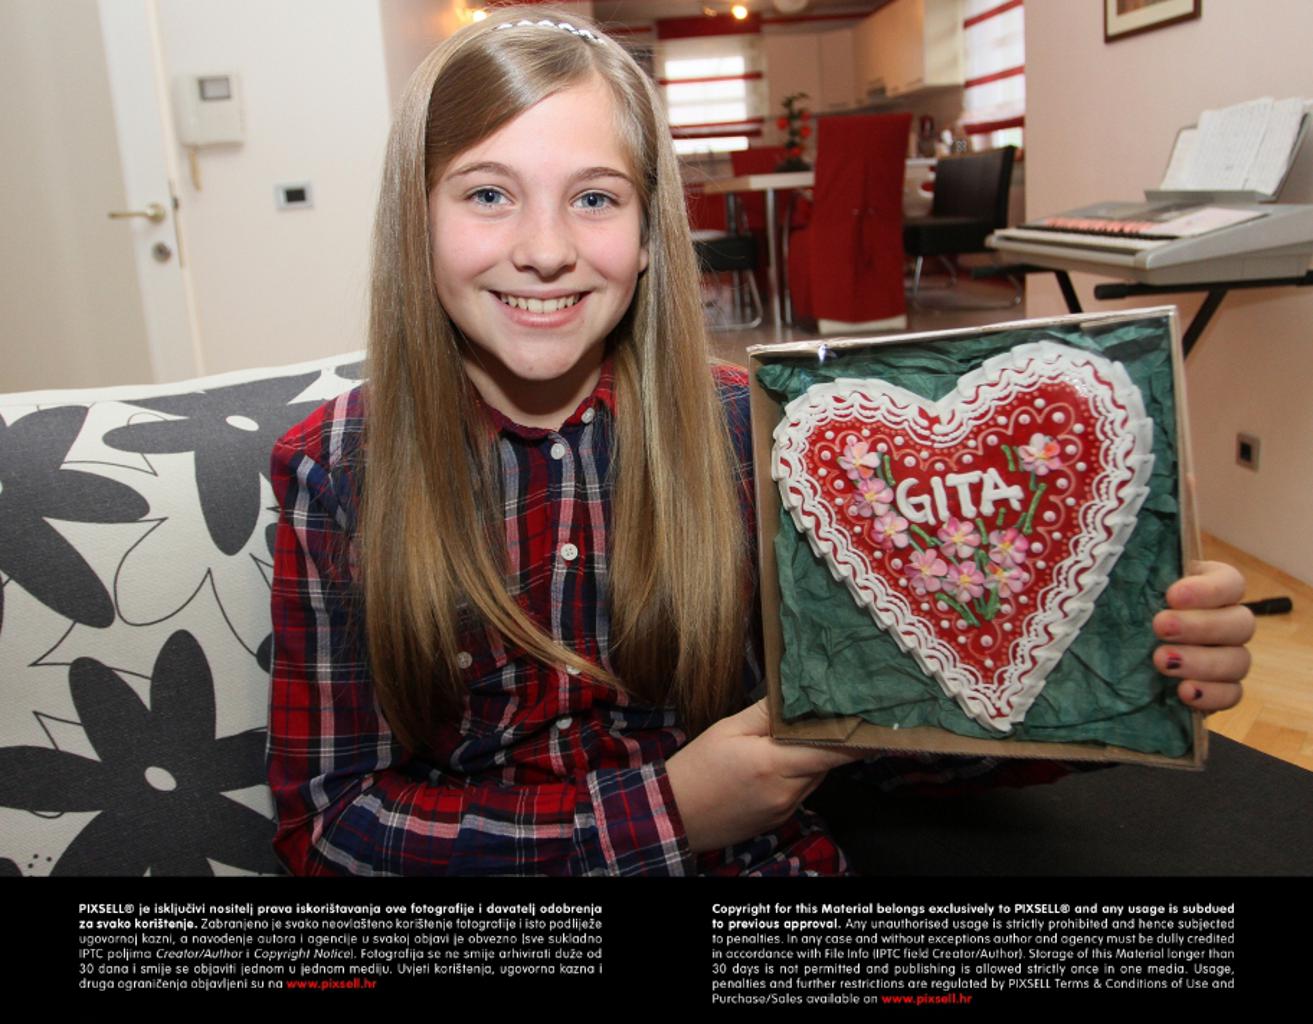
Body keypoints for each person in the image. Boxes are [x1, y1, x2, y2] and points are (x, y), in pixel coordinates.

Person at [266, 10, 1253, 877]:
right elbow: (330, 829)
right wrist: (666, 814)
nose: (545, 250)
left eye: (595, 198)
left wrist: (1119, 664)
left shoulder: (761, 434)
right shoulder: (336, 470)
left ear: (648, 232)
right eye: (487, 194)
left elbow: (875, 726)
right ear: (415, 219)